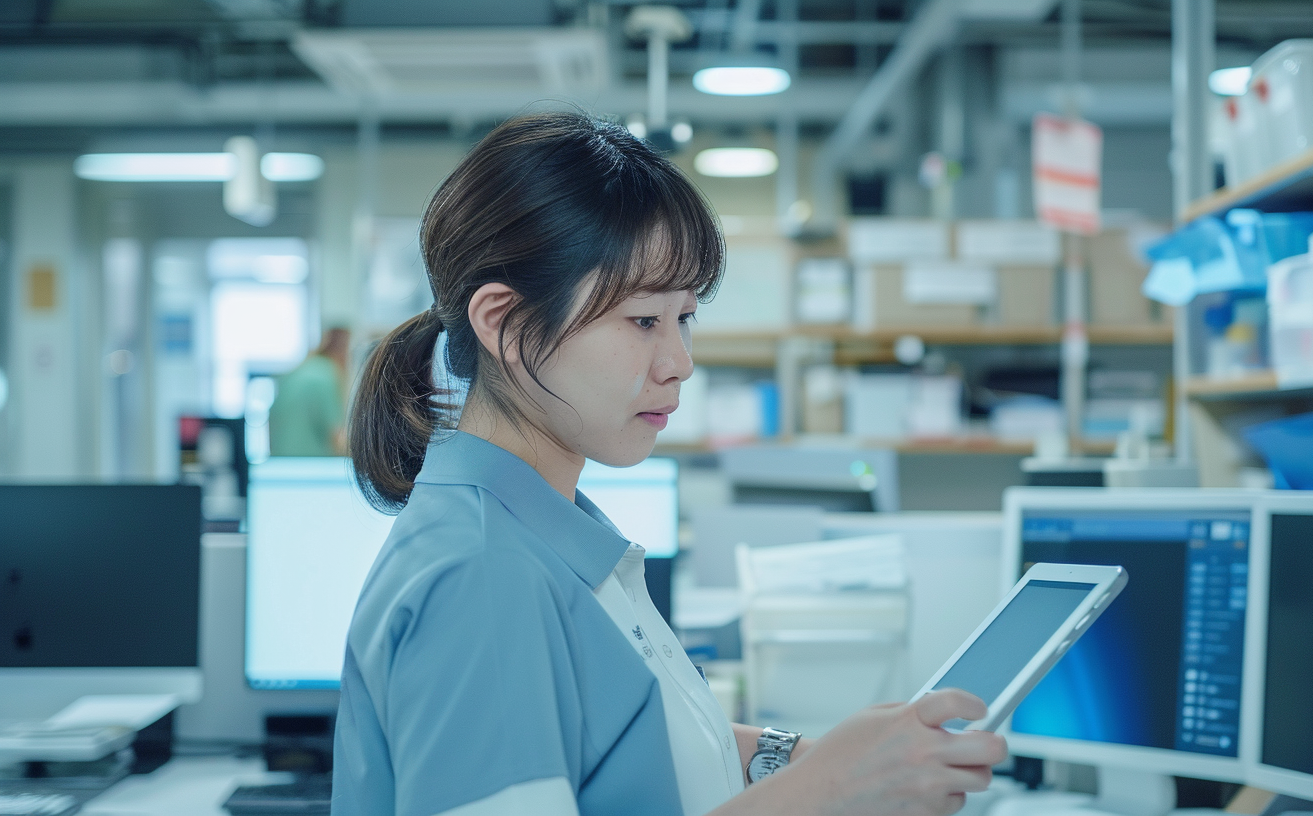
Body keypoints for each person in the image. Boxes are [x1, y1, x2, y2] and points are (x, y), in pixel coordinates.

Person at [335, 112, 1006, 816]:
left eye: (684, 318)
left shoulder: (544, 527)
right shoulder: (481, 577)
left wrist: (806, 760)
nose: (679, 363)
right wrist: (824, 794)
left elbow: (627, 746)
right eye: (643, 321)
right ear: (502, 322)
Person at [269, 327, 349, 456]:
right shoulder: (326, 374)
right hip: (311, 465)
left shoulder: (299, 371)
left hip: (280, 463)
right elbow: (336, 437)